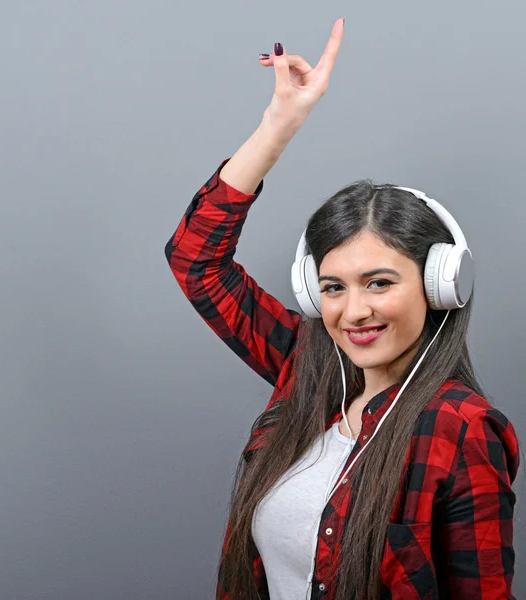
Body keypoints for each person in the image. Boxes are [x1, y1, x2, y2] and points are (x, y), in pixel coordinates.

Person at [163, 18, 520, 600]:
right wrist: (278, 127)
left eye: (378, 283)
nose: (353, 311)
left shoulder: (460, 430)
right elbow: (195, 260)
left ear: (439, 284)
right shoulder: (307, 370)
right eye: (332, 288)